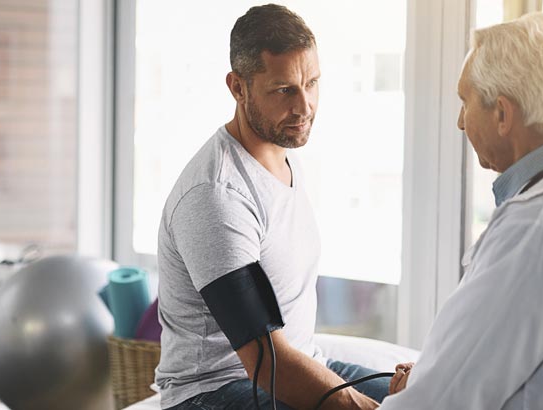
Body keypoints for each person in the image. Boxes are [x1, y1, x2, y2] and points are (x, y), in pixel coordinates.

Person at [156, 4, 387, 409]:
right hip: (215, 391)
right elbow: (265, 360)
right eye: (284, 90)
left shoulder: (281, 152)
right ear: (238, 87)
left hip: (294, 361)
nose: (304, 107)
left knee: (435, 394)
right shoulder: (215, 194)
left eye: (311, 83)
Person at [382, 12, 543, 409]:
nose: (459, 122)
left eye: (464, 102)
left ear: (502, 114)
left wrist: (414, 393)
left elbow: (440, 403)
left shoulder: (539, 225)